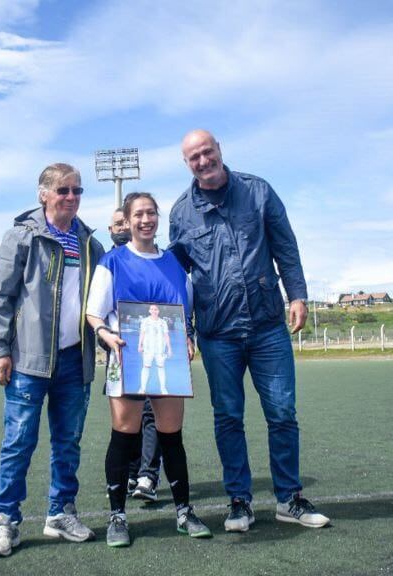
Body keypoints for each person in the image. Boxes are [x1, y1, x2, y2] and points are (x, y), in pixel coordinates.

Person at [169, 129, 330, 532]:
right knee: (227, 417)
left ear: (219, 150)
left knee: (281, 413)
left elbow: (285, 246)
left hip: (266, 326)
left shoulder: (258, 192)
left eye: (207, 152)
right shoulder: (180, 213)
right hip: (217, 332)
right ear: (187, 163)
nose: (203, 161)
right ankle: (239, 502)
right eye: (194, 157)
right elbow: (177, 278)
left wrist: (297, 295)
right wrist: (181, 328)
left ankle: (289, 499)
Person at [0, 162, 104, 558]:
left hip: (75, 360)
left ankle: (60, 513)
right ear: (44, 194)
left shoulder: (90, 243)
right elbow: (0, 296)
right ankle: (6, 522)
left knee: (68, 443)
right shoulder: (22, 237)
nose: (71, 197)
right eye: (63, 190)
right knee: (19, 442)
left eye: (77, 191)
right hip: (29, 361)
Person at [87, 192, 212, 547]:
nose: (146, 220)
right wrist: (105, 334)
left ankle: (185, 512)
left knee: (171, 435)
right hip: (125, 356)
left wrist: (187, 336)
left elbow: (183, 311)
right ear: (127, 221)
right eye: (139, 214)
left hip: (168, 358)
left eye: (151, 213)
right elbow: (94, 312)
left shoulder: (173, 264)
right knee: (124, 434)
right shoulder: (112, 262)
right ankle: (117, 516)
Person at [109, 208, 163, 502]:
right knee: (125, 419)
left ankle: (148, 474)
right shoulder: (108, 262)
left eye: (124, 222)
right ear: (111, 228)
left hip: (152, 350)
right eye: (117, 223)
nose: (122, 228)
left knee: (151, 414)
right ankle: (130, 473)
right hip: (120, 353)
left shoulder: (157, 259)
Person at [137, 304, 172, 395]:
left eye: (155, 309)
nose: (154, 311)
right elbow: (142, 333)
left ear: (158, 311)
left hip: (160, 349)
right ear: (149, 311)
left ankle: (163, 389)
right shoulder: (145, 321)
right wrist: (139, 345)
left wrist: (169, 348)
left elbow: (166, 335)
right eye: (152, 309)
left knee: (161, 368)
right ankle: (142, 389)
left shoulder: (163, 322)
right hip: (148, 349)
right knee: (146, 367)